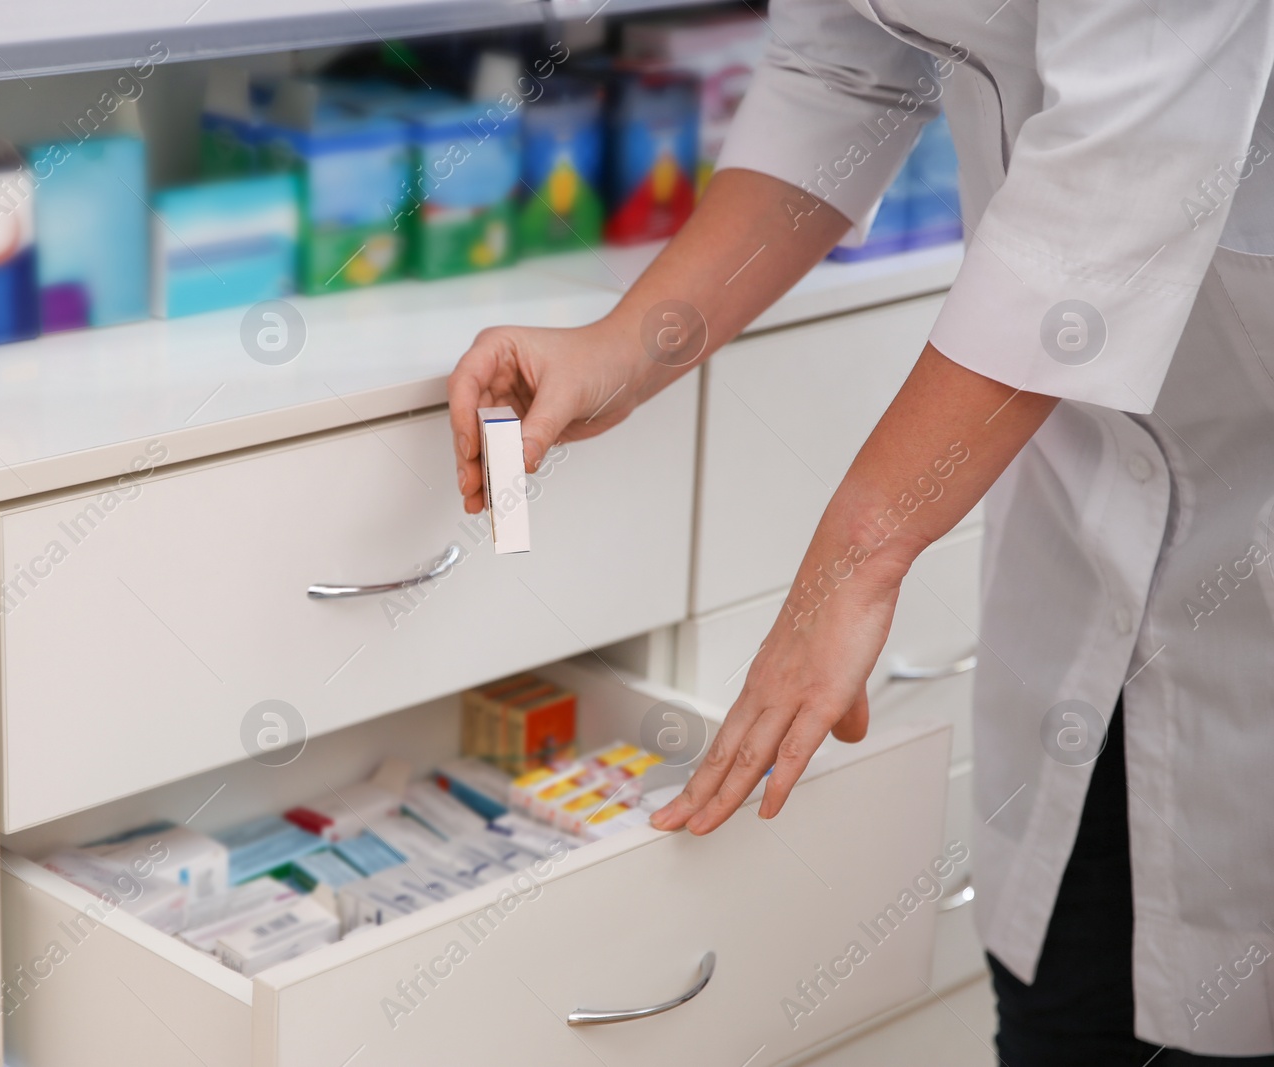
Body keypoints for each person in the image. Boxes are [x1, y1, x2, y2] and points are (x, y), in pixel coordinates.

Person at [447, 2, 1274, 1063]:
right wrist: (627, 342)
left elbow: (1113, 186)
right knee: (1065, 995)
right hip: (1077, 475)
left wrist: (860, 553)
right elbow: (842, 71)